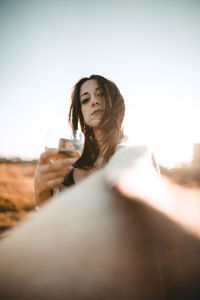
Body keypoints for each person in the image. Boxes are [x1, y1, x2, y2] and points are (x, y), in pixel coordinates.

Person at [34, 74, 125, 205]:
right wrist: (40, 190)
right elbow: (48, 213)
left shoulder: (137, 154)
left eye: (101, 94)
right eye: (85, 100)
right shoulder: (68, 155)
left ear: (115, 100)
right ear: (81, 112)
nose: (94, 101)